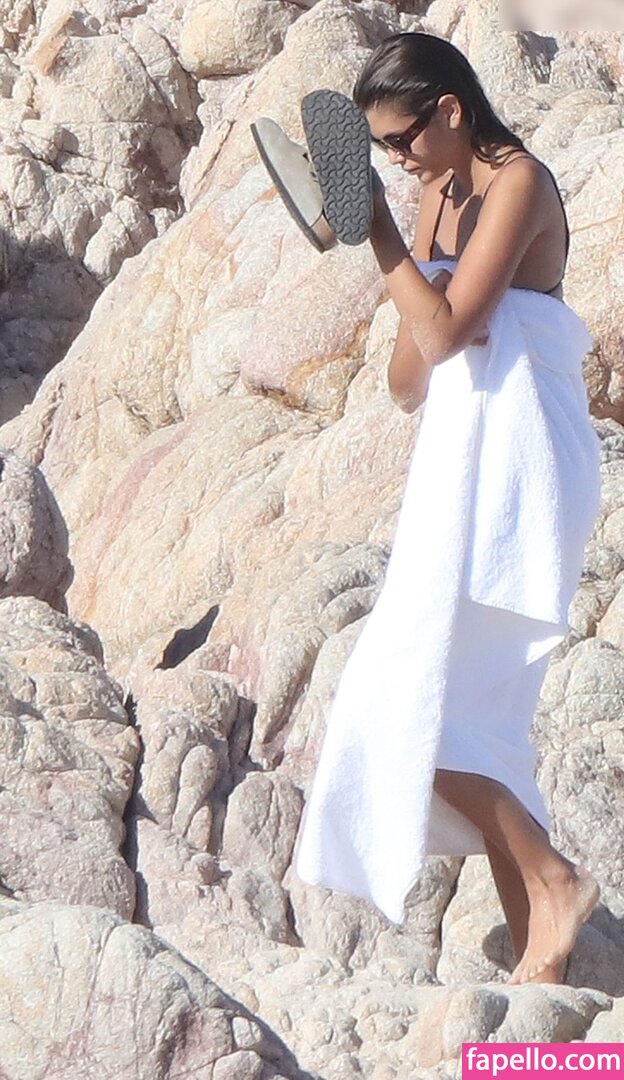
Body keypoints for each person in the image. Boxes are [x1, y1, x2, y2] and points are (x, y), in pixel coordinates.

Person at [289, 31, 601, 988]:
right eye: (380, 149)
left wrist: (379, 234)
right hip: (458, 465)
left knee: (421, 709)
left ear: (452, 109)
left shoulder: (518, 183)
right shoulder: (436, 197)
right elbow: (407, 379)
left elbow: (452, 331)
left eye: (401, 140)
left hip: (523, 463)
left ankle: (557, 885)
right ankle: (548, 961)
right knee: (466, 714)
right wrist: (401, 253)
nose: (395, 161)